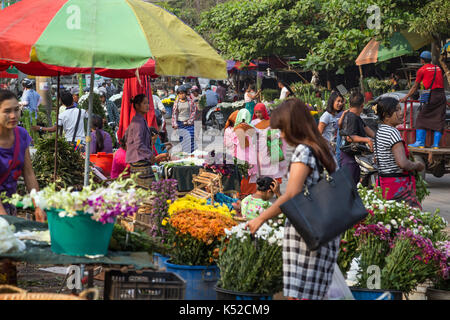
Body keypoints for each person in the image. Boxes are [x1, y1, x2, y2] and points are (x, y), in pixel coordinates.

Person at [246, 97, 339, 300]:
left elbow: (292, 194)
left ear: (293, 127)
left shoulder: (303, 151)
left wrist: (261, 218)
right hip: (326, 230)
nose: (281, 135)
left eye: (282, 129)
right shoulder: (323, 148)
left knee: (301, 294)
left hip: (306, 235)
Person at [0, 90, 45, 221]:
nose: (13, 115)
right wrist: (4, 220)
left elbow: (29, 173)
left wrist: (38, 205)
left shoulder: (22, 135)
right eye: (7, 111)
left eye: (16, 109)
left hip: (9, 206)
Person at [374, 97, 425, 209]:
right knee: (414, 221)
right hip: (397, 187)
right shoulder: (393, 132)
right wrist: (417, 165)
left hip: (383, 184)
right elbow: (402, 163)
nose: (402, 113)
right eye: (397, 110)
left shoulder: (379, 131)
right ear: (387, 115)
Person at [400, 51, 447, 149]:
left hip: (431, 95)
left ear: (422, 60)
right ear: (430, 60)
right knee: (439, 118)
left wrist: (406, 97)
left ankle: (420, 143)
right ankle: (436, 145)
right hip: (441, 95)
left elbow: (415, 87)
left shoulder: (422, 70)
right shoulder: (438, 68)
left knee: (421, 118)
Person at [339, 91, 375, 185]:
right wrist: (367, 140)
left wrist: (380, 137)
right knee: (350, 188)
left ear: (349, 104)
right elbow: (349, 138)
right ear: (362, 106)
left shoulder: (357, 117)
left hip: (357, 157)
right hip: (349, 158)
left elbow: (369, 131)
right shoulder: (351, 117)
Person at [252, 103, 288, 184]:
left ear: (264, 111)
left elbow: (278, 132)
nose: (258, 114)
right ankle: (265, 185)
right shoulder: (253, 123)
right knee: (262, 167)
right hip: (259, 149)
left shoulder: (271, 121)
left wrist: (273, 136)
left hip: (270, 147)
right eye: (256, 112)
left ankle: (274, 185)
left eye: (260, 112)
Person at [125, 94, 155, 172]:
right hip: (138, 160)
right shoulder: (137, 122)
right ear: (137, 106)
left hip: (141, 159)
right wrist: (150, 154)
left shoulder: (140, 120)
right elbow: (138, 143)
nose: (147, 105)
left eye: (147, 103)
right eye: (144, 103)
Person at [233, 108, 258, 197]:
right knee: (250, 173)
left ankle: (241, 192)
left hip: (240, 154)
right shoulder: (252, 128)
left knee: (241, 173)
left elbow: (234, 143)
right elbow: (255, 141)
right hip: (250, 154)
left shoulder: (236, 128)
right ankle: (250, 192)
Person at [172, 86, 196, 153]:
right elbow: (174, 113)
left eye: (183, 93)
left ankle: (191, 153)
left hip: (189, 124)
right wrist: (175, 124)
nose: (181, 95)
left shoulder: (190, 102)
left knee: (191, 137)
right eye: (179, 94)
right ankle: (185, 153)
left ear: (186, 93)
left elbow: (193, 112)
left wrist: (189, 121)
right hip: (180, 123)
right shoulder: (176, 103)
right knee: (183, 139)